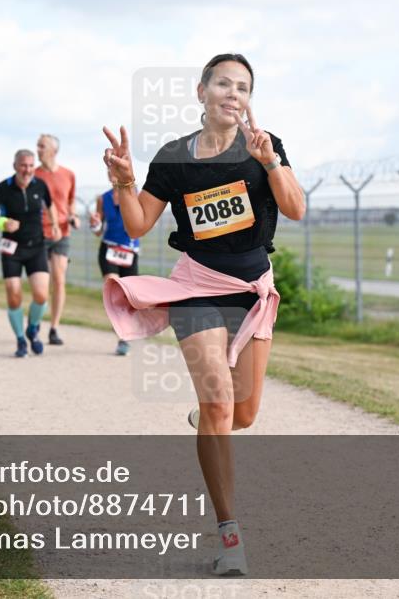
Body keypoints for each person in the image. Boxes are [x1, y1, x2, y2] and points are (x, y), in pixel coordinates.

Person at [99, 53, 304, 576]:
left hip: (251, 288)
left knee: (244, 414)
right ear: (201, 92)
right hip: (196, 286)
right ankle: (229, 534)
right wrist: (125, 181)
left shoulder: (265, 146)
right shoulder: (173, 158)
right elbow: (140, 222)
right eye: (223, 84)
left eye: (243, 87)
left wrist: (271, 164)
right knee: (217, 405)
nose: (233, 94)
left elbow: (297, 208)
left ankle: (211, 423)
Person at [0, 149, 60, 357]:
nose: (28, 169)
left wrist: (56, 225)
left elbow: (50, 206)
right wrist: (2, 222)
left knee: (41, 296)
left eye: (31, 165)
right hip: (11, 249)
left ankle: (33, 328)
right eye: (23, 165)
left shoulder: (40, 185)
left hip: (36, 247)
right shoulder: (3, 188)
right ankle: (21, 340)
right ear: (15, 166)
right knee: (14, 295)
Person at [34, 133, 78, 346]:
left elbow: (70, 202)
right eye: (38, 146)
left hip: (62, 233)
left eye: (42, 146)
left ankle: (54, 327)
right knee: (41, 284)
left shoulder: (68, 174)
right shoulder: (33, 175)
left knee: (59, 279)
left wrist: (73, 216)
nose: (38, 150)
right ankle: (36, 323)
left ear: (54, 150)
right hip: (39, 234)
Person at [91, 178, 141, 356]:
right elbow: (98, 230)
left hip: (129, 251)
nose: (114, 175)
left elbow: (142, 223)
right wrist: (95, 223)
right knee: (113, 291)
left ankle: (124, 337)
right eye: (110, 171)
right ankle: (122, 333)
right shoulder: (102, 198)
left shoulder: (137, 195)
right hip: (109, 249)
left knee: (127, 298)